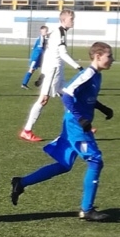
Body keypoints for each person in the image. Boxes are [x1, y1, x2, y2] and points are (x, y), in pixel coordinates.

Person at [10, 42, 115, 221]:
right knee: (95, 161)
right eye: (109, 56)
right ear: (98, 56)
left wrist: (103, 108)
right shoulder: (88, 74)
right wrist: (80, 119)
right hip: (76, 126)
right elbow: (67, 94)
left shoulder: (97, 75)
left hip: (75, 124)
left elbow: (87, 98)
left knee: (64, 164)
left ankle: (21, 182)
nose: (112, 59)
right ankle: (86, 210)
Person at [19, 8, 80, 141]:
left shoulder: (57, 31)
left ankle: (79, 126)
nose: (73, 21)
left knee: (68, 95)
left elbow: (48, 51)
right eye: (71, 19)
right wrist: (78, 67)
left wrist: (43, 72)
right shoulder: (60, 32)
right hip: (54, 69)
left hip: (56, 69)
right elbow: (62, 54)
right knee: (43, 99)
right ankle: (27, 130)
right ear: (63, 19)